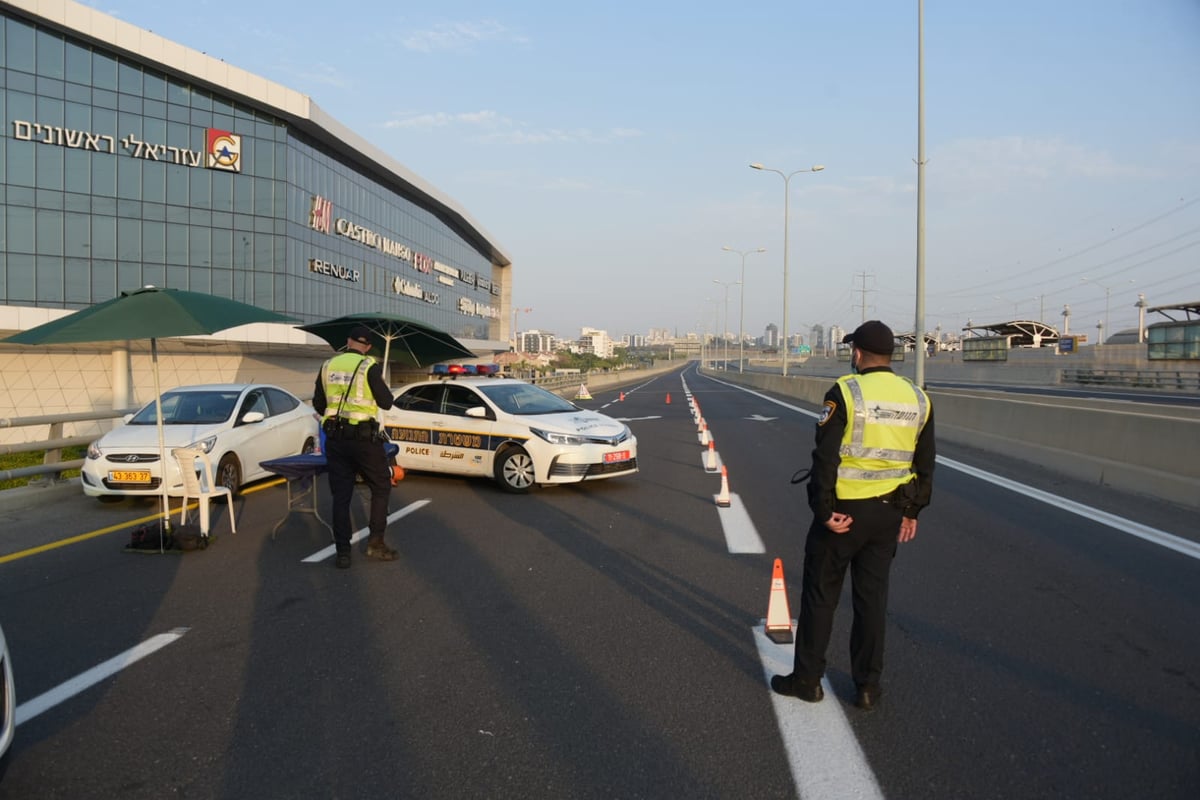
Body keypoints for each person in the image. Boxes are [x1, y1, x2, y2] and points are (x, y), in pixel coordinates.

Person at [771, 320, 935, 711]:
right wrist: (912, 510)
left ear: (858, 353)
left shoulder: (845, 392)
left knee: (821, 596)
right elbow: (925, 462)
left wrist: (823, 510)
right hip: (889, 515)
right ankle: (867, 687)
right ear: (891, 356)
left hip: (843, 516)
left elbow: (825, 458)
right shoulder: (918, 398)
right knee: (872, 601)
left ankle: (807, 680)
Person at [312, 325, 397, 569]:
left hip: (336, 440)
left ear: (348, 342)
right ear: (368, 347)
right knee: (381, 486)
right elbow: (387, 402)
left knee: (341, 496)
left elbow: (319, 403)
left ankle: (342, 552)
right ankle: (376, 543)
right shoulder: (369, 366)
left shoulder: (327, 366)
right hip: (363, 440)